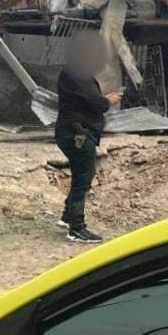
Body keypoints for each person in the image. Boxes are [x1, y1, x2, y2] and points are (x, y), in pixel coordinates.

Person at [55, 31, 121, 243]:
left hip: (75, 131)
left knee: (80, 174)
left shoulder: (75, 73)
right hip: (78, 133)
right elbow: (97, 103)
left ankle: (68, 217)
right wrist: (109, 100)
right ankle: (77, 228)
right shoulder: (77, 74)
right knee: (84, 177)